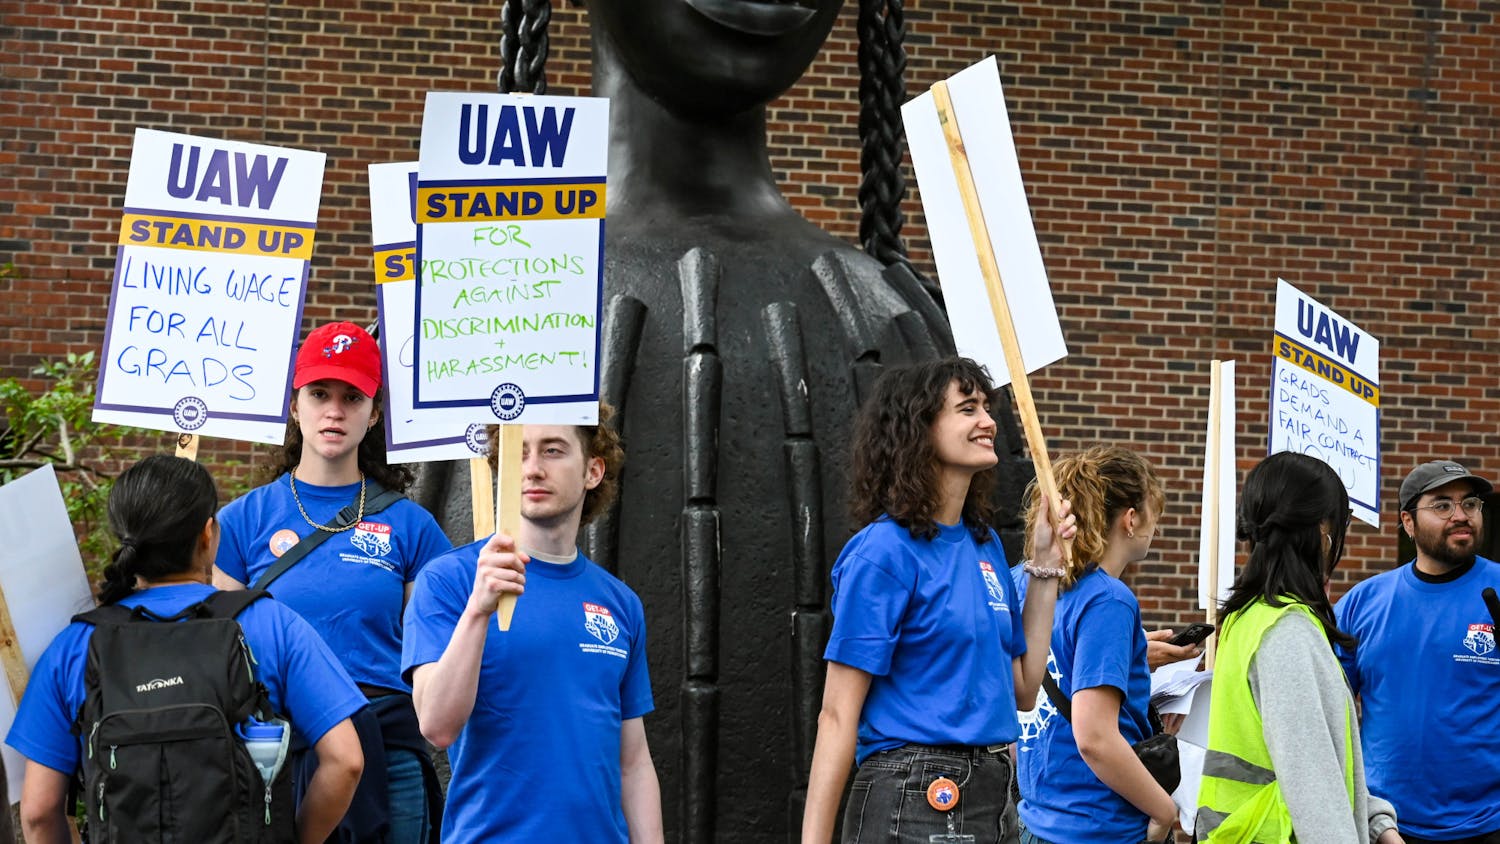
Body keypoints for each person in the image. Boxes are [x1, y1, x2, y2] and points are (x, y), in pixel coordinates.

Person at [7, 455, 365, 844]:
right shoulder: (270, 623)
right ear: (208, 534)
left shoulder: (75, 646)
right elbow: (345, 761)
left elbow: (40, 812)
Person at [801, 357, 1076, 844]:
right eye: (967, 409)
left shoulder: (984, 544)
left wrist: (1045, 568)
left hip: (994, 792)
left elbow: (1023, 689)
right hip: (914, 795)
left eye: (987, 408)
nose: (988, 421)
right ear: (918, 429)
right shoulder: (882, 553)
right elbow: (838, 714)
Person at [213, 321, 453, 843]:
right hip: (274, 755)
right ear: (295, 406)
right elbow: (219, 654)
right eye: (319, 393)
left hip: (387, 753)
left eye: (353, 396)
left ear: (375, 413)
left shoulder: (413, 528)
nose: (335, 410)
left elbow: (439, 654)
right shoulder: (240, 522)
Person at [401, 404, 663, 843]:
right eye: (518, 453)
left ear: (592, 471)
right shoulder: (450, 580)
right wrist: (478, 611)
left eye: (553, 450)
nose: (533, 469)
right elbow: (437, 725)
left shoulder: (620, 604)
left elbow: (632, 761)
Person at [1196, 451, 1401, 844]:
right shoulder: (1287, 631)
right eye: (1338, 527)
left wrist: (1377, 824)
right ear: (1321, 532)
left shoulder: (1250, 616)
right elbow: (1314, 785)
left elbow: (1324, 759)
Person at [1012, 445, 1178, 844]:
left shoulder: (1024, 578)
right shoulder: (1109, 600)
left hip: (1035, 815)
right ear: (1131, 518)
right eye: (1154, 513)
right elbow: (1094, 737)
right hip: (1099, 823)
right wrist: (1163, 810)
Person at [1335, 459, 1500, 844]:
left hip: (1488, 822)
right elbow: (1323, 694)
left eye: (1470, 504)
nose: (1461, 515)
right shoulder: (1364, 602)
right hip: (1388, 824)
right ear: (1408, 523)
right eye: (1442, 505)